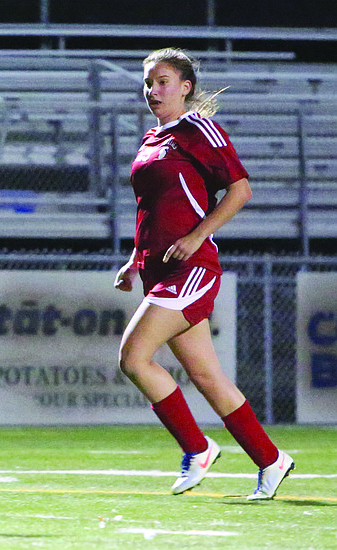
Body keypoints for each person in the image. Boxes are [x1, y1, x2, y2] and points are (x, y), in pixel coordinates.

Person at [115, 48, 293, 500]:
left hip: (191, 267)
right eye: (148, 82)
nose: (153, 90)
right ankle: (271, 460)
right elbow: (151, 209)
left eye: (162, 81)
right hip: (160, 269)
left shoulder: (198, 129)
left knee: (134, 357)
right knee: (209, 378)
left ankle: (197, 448)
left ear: (186, 87)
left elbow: (240, 190)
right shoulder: (153, 138)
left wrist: (197, 237)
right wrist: (135, 260)